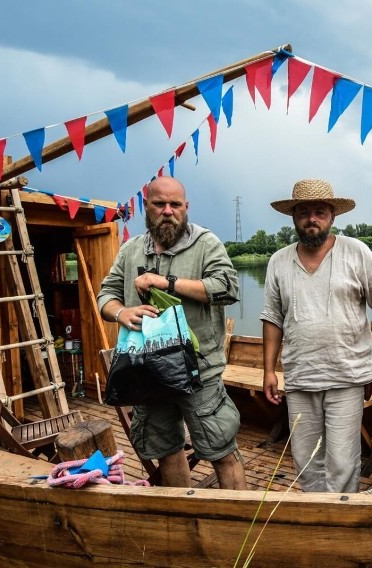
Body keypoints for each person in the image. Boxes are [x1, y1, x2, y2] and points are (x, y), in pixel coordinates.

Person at [260, 178, 372, 493]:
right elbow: (273, 318)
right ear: (293, 217)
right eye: (304, 212)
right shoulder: (278, 262)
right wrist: (268, 370)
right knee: (305, 459)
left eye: (319, 212)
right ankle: (319, 519)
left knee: (342, 461)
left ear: (332, 216)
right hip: (301, 376)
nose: (311, 219)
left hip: (348, 375)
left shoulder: (356, 252)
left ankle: (342, 517)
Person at [97, 176, 247, 489]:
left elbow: (228, 288)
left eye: (175, 204)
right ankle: (184, 519)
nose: (168, 211)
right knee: (165, 450)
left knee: (221, 450)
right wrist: (122, 312)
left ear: (186, 207)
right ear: (146, 207)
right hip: (147, 374)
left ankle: (240, 525)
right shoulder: (130, 250)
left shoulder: (205, 243)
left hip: (199, 372)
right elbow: (105, 296)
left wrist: (168, 283)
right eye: (159, 204)